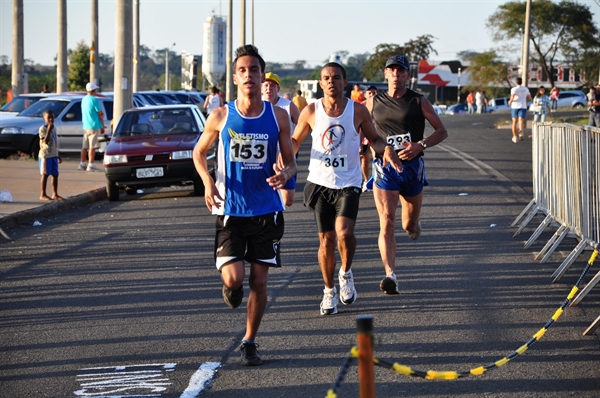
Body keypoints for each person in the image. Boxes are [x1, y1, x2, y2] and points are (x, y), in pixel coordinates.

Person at [192, 45, 296, 366]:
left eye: (254, 70)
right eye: (243, 70)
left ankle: (249, 340)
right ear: (235, 77)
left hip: (266, 209)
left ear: (262, 76)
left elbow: (292, 164)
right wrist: (209, 182)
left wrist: (284, 174)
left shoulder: (277, 116)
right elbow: (198, 153)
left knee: (260, 282)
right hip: (230, 209)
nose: (249, 75)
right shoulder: (221, 116)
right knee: (235, 279)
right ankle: (231, 289)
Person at [291, 62, 402, 315]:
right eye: (326, 78)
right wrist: (283, 158)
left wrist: (387, 151)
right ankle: (328, 291)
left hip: (348, 183)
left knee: (344, 233)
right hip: (320, 183)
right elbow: (295, 141)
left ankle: (346, 272)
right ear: (321, 84)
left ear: (345, 82)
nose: (331, 81)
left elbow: (374, 139)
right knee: (326, 240)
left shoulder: (358, 110)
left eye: (336, 77)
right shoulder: (311, 110)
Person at [366, 54, 449, 295]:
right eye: (391, 70)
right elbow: (360, 126)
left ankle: (414, 224)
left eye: (400, 71)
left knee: (407, 225)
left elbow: (442, 131)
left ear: (407, 75)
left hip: (413, 168)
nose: (395, 75)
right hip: (385, 169)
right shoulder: (374, 102)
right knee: (387, 221)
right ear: (385, 74)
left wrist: (420, 145)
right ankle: (390, 274)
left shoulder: (418, 101)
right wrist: (372, 148)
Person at [262, 72, 301, 207]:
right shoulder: (256, 106)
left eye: (272, 85)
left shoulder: (288, 106)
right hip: (264, 157)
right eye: (266, 85)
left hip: (285, 157)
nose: (269, 88)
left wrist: (293, 145)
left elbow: (302, 127)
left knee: (288, 200)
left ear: (278, 89)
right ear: (261, 87)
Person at [78, 82, 105, 171]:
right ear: (94, 90)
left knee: (84, 146)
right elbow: (100, 113)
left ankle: (82, 164)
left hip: (85, 126)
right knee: (92, 147)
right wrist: (103, 125)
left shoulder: (84, 99)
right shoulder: (94, 100)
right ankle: (91, 165)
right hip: (94, 125)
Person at [38, 110, 63, 201]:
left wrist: (58, 155)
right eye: (49, 118)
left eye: (52, 117)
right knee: (45, 174)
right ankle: (43, 194)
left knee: (55, 174)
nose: (51, 119)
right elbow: (46, 141)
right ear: (44, 119)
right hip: (46, 155)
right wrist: (48, 129)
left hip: (54, 154)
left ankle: (54, 194)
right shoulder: (43, 129)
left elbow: (55, 142)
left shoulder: (54, 128)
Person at [360, 86, 378, 192]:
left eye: (374, 93)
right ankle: (366, 181)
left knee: (377, 158)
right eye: (369, 93)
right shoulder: (361, 106)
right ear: (365, 95)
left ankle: (376, 180)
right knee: (365, 160)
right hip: (364, 137)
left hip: (376, 136)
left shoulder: (381, 106)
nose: (372, 95)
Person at [508, 77, 532, 143]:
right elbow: (530, 98)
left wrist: (510, 101)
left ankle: (515, 136)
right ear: (521, 82)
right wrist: (523, 99)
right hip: (523, 106)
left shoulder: (514, 89)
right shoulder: (525, 89)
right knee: (521, 120)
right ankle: (521, 130)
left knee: (514, 122)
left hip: (515, 106)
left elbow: (512, 97)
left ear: (516, 82)